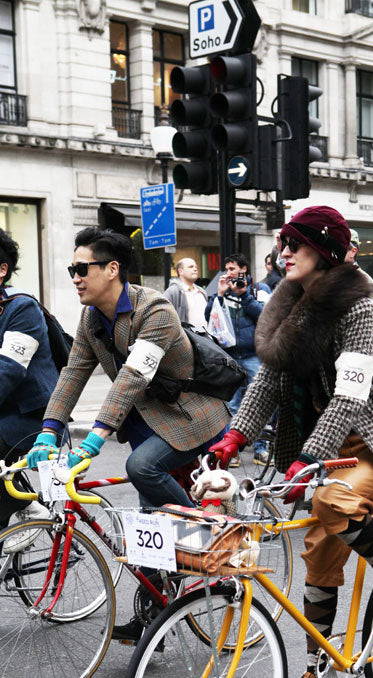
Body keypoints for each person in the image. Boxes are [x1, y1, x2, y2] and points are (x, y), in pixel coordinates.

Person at [209, 205, 373, 678]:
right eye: (283, 243)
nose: (283, 252)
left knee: (334, 504)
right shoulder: (289, 304)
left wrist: (310, 454)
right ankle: (318, 665)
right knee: (319, 561)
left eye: (297, 244)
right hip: (327, 445)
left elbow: (350, 395)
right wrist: (235, 437)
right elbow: (268, 378)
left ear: (326, 252)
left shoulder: (359, 307)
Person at [25, 227, 229, 643]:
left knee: (141, 468)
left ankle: (212, 531)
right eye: (71, 270)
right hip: (145, 422)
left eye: (82, 268)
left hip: (189, 414)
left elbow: (132, 378)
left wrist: (96, 437)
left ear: (112, 269)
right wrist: (49, 429)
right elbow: (73, 373)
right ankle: (155, 612)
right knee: (145, 526)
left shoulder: (153, 309)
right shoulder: (90, 318)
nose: (76, 277)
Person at [0, 228, 58, 534]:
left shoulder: (22, 308)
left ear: (2, 270)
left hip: (33, 418)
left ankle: (26, 507)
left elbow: (8, 369)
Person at [205, 253, 271, 465]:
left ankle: (261, 449)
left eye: (233, 269)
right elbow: (210, 317)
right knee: (231, 405)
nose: (229, 273)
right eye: (227, 269)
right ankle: (231, 450)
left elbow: (264, 316)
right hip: (230, 356)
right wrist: (220, 295)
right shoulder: (221, 290)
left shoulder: (259, 290)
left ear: (244, 269)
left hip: (253, 354)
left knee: (261, 402)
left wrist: (244, 296)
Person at [164, 257, 207, 328]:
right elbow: (165, 317)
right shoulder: (172, 292)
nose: (195, 269)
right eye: (191, 267)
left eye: (196, 267)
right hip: (186, 337)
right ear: (180, 271)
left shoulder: (202, 292)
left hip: (205, 337)